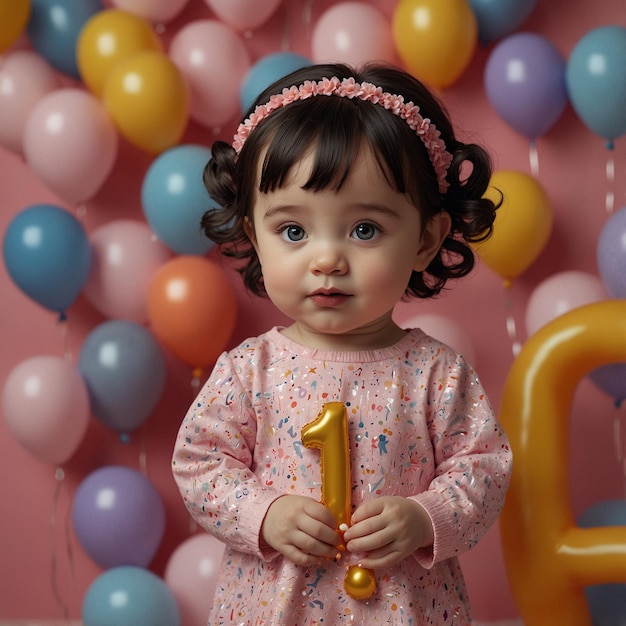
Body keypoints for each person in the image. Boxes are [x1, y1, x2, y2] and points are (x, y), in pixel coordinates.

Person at [172, 62, 512, 625]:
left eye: (364, 230)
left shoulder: (436, 372)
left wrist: (427, 516)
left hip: (403, 607)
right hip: (275, 606)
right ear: (255, 236)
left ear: (426, 239)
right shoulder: (248, 370)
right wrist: (264, 511)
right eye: (294, 231)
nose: (326, 259)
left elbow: (484, 469)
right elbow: (200, 464)